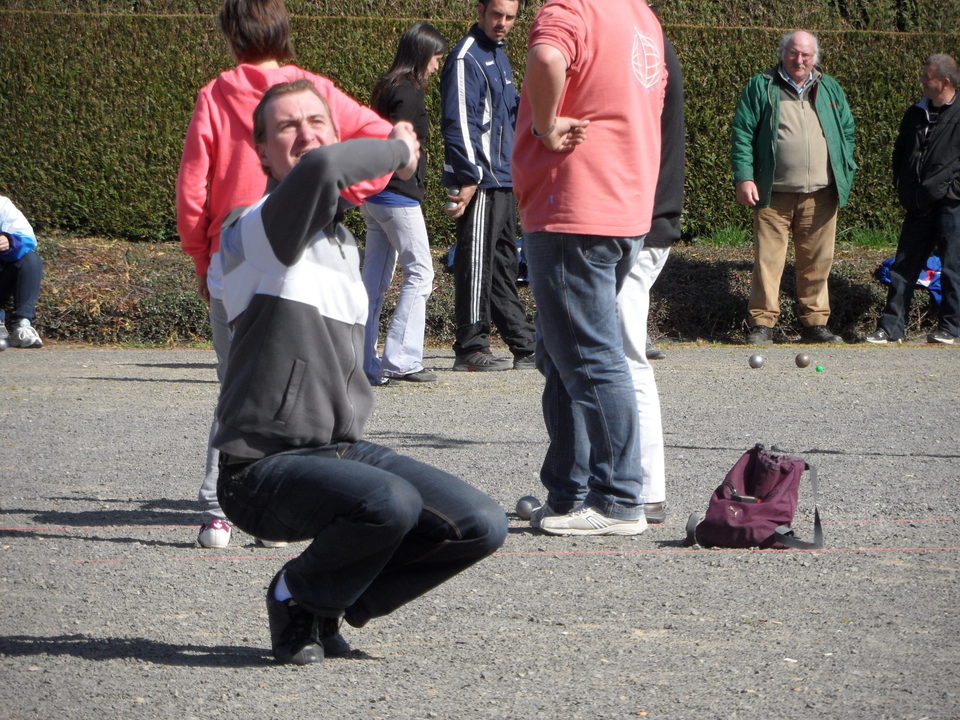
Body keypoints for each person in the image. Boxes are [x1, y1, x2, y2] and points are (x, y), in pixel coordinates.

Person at [214, 79, 507, 665]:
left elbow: (325, 172)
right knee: (390, 502)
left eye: (316, 122)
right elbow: (324, 168)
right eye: (286, 127)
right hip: (260, 468)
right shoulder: (253, 230)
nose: (304, 135)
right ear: (263, 152)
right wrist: (399, 149)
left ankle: (328, 602)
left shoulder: (345, 247)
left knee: (479, 523)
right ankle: (294, 595)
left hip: (339, 453)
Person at [175, 0, 393, 549]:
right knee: (310, 390)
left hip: (240, 252)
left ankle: (217, 511)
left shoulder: (218, 92)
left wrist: (202, 258)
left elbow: (193, 186)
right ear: (283, 29)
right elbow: (380, 141)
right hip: (306, 257)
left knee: (238, 387)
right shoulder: (313, 90)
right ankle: (285, 511)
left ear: (231, 36)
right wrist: (340, 192)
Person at [512, 0, 666, 535]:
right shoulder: (641, 17)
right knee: (564, 353)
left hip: (572, 205)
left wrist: (545, 125)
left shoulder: (570, 9)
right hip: (625, 205)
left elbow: (547, 58)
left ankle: (619, 498)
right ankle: (569, 492)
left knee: (589, 358)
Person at [731, 30, 857, 345]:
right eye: (793, 53)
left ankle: (815, 323)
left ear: (815, 57)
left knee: (817, 261)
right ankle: (763, 324)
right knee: (767, 261)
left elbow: (847, 131)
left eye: (806, 54)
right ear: (783, 53)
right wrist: (744, 176)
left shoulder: (830, 88)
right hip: (772, 193)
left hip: (822, 193)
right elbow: (743, 132)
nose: (799, 60)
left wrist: (846, 170)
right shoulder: (761, 86)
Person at [440, 0, 536, 371]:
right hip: (480, 178)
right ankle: (469, 345)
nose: (503, 23)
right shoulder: (467, 58)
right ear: (479, 10)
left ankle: (523, 342)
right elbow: (458, 122)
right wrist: (468, 176)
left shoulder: (500, 55)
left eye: (510, 17)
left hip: (504, 177)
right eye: (497, 14)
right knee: (476, 260)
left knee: (503, 263)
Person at [616, 25, 685, 525]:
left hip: (639, 221)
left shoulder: (641, 40)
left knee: (624, 353)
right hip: (641, 217)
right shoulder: (645, 35)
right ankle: (625, 482)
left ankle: (643, 486)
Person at [361, 22, 448, 386]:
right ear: (422, 54)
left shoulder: (386, 85)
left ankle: (359, 360)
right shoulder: (409, 92)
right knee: (420, 272)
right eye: (436, 58)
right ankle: (401, 358)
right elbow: (401, 144)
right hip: (397, 194)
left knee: (374, 281)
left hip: (374, 195)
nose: (437, 65)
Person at [865, 54, 960, 345]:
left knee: (952, 266)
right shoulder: (915, 113)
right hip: (918, 203)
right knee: (903, 268)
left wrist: (953, 190)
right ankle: (891, 328)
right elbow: (901, 154)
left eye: (926, 76)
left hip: (951, 204)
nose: (921, 80)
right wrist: (903, 188)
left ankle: (951, 327)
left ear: (944, 81)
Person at [0, 196, 43, 349]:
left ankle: (22, 325)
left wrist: (10, 241)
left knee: (30, 260)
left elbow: (27, 239)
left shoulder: (2, 205)